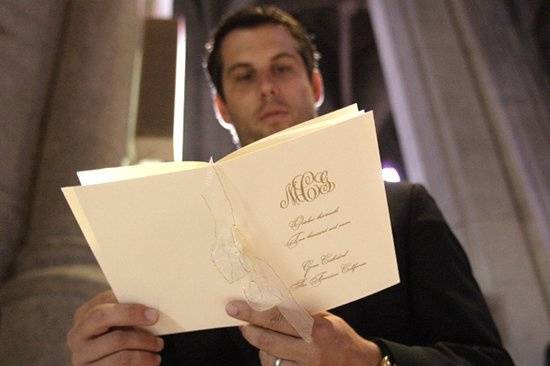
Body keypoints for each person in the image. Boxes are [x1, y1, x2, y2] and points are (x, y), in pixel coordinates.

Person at [67, 5, 514, 366]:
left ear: (315, 83)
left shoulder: (401, 209)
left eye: (281, 68)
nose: (267, 88)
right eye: (244, 76)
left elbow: (486, 359)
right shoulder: (172, 240)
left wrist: (373, 361)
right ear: (221, 105)